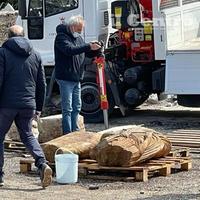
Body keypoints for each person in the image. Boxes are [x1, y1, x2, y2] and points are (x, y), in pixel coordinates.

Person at [0, 25, 52, 188]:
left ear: (8, 37)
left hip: (6, 105)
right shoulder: (35, 55)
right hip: (28, 104)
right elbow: (42, 83)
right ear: (23, 36)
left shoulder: (2, 53)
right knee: (28, 135)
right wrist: (39, 106)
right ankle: (42, 163)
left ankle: (0, 176)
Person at [54, 15, 101, 134]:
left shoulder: (78, 38)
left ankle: (75, 131)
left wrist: (95, 49)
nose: (80, 32)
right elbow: (69, 50)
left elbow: (84, 51)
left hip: (76, 78)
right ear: (72, 26)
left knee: (77, 107)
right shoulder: (61, 37)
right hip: (65, 78)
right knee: (67, 108)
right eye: (79, 29)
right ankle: (67, 134)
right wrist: (88, 46)